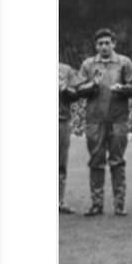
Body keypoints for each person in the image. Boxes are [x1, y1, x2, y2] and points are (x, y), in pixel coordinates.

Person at [75, 28, 132, 217]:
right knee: (96, 161)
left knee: (117, 161)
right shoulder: (88, 64)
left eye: (107, 43)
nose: (104, 46)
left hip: (118, 119)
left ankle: (120, 205)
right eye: (100, 43)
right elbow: (78, 89)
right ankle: (97, 204)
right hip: (95, 120)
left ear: (114, 44)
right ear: (96, 46)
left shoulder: (124, 62)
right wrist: (93, 84)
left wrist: (123, 88)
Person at [59, 62, 79, 214]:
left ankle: (59, 201)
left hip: (61, 121)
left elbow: (76, 94)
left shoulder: (66, 69)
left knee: (60, 164)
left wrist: (65, 89)